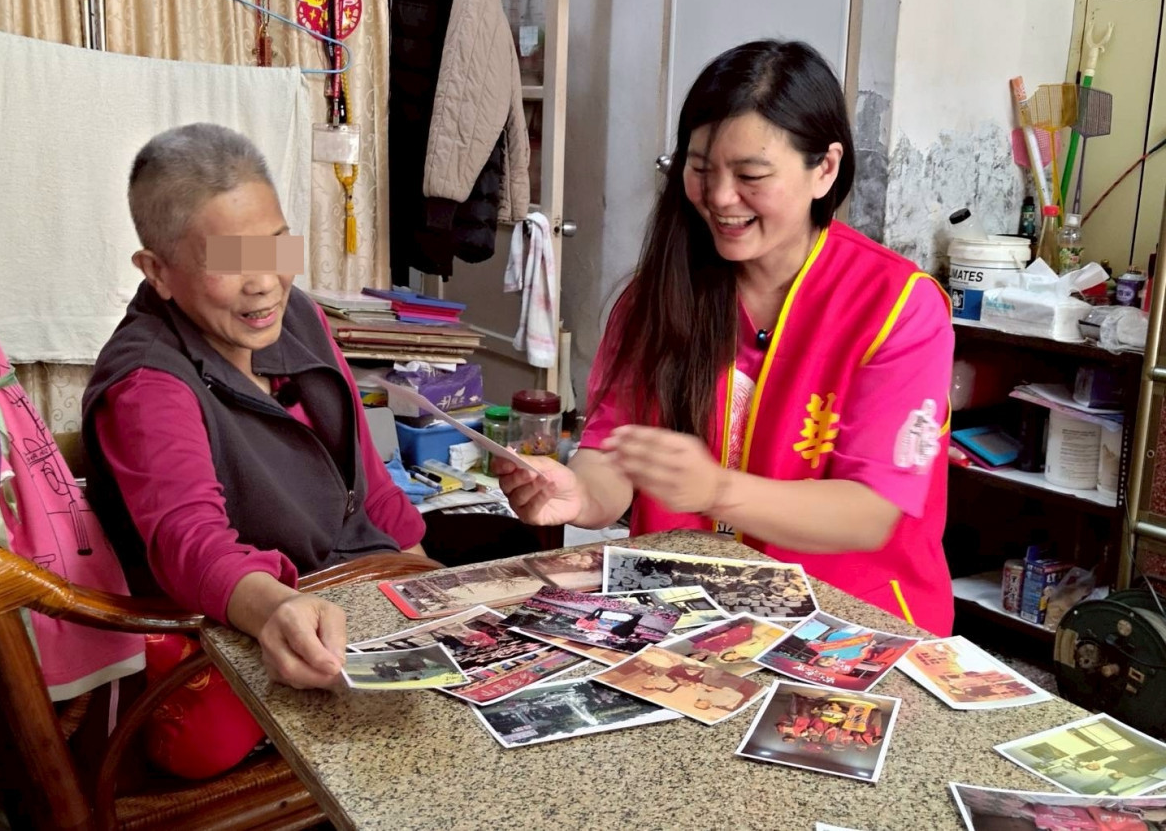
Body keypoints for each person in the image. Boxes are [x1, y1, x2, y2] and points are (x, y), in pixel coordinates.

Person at [496, 40, 954, 634]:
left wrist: (716, 490)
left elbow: (871, 513)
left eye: (750, 175)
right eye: (700, 169)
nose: (718, 198)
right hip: (686, 617)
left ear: (825, 169)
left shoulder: (897, 306)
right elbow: (614, 450)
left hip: (848, 625)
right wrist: (579, 495)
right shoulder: (658, 294)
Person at [81, 124, 432, 775]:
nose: (265, 283)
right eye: (229, 260)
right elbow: (190, 541)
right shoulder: (147, 383)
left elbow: (367, 478)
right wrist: (279, 610)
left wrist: (434, 593)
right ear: (157, 271)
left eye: (275, 246)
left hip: (353, 593)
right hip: (244, 636)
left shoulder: (299, 316)